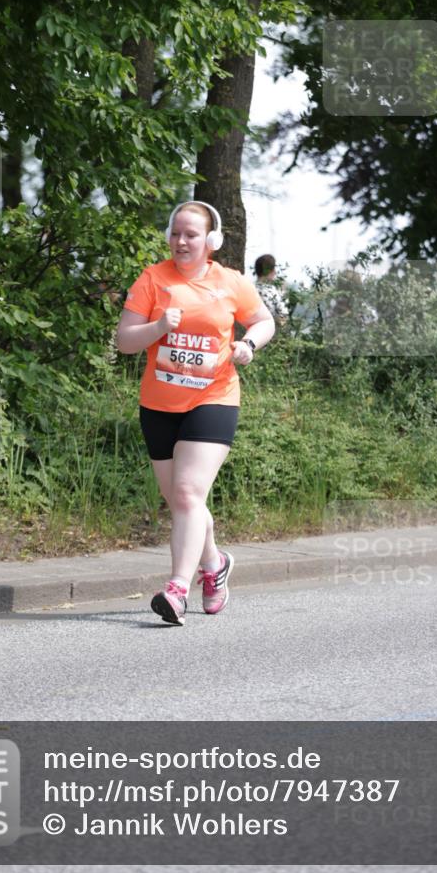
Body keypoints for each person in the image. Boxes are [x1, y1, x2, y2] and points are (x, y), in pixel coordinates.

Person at [115, 201, 275, 626]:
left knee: (187, 493)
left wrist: (249, 345)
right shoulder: (152, 279)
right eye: (176, 233)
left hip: (214, 399)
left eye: (191, 235)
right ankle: (215, 563)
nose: (181, 242)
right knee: (182, 501)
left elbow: (264, 321)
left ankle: (177, 589)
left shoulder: (231, 282)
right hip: (158, 405)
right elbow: (125, 341)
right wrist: (157, 328)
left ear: (211, 241)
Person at [254, 254, 289, 329]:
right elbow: (283, 317)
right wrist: (283, 293)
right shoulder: (272, 291)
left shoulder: (250, 288)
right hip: (269, 333)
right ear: (270, 271)